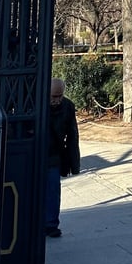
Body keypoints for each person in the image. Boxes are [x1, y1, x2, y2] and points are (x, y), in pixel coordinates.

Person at [45, 78, 80, 238]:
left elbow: (73, 135)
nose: (56, 100)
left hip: (54, 154)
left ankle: (51, 224)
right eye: (53, 96)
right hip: (39, 151)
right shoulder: (36, 102)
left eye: (59, 96)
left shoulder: (67, 106)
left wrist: (74, 164)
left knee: (53, 189)